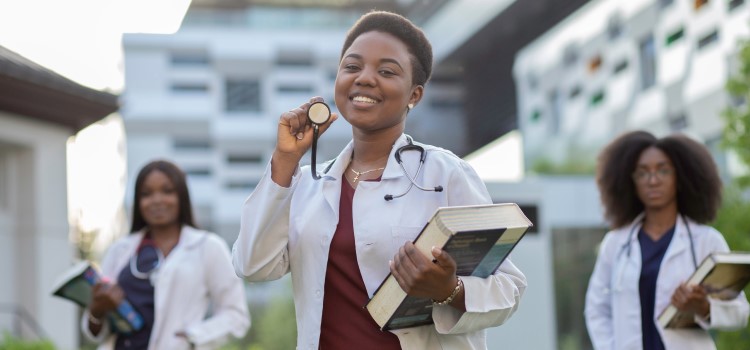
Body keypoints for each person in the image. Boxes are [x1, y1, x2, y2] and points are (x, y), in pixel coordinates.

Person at [232, 10, 526, 350]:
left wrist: (449, 289)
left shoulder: (446, 174)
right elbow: (251, 265)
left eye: (386, 71)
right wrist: (284, 160)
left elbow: (510, 289)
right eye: (352, 67)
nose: (365, 79)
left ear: (414, 95)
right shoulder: (310, 184)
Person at [585, 130, 750, 349]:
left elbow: (741, 313)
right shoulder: (615, 244)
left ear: (680, 178)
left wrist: (703, 307)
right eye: (642, 173)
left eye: (663, 171)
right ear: (630, 181)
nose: (653, 180)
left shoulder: (706, 241)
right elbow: (596, 309)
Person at [82, 160, 250, 349]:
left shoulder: (208, 247)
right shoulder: (119, 250)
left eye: (167, 191)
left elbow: (236, 316)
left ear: (181, 196)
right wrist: (96, 312)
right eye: (146, 194)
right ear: (138, 201)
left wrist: (193, 336)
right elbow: (96, 333)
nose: (157, 200)